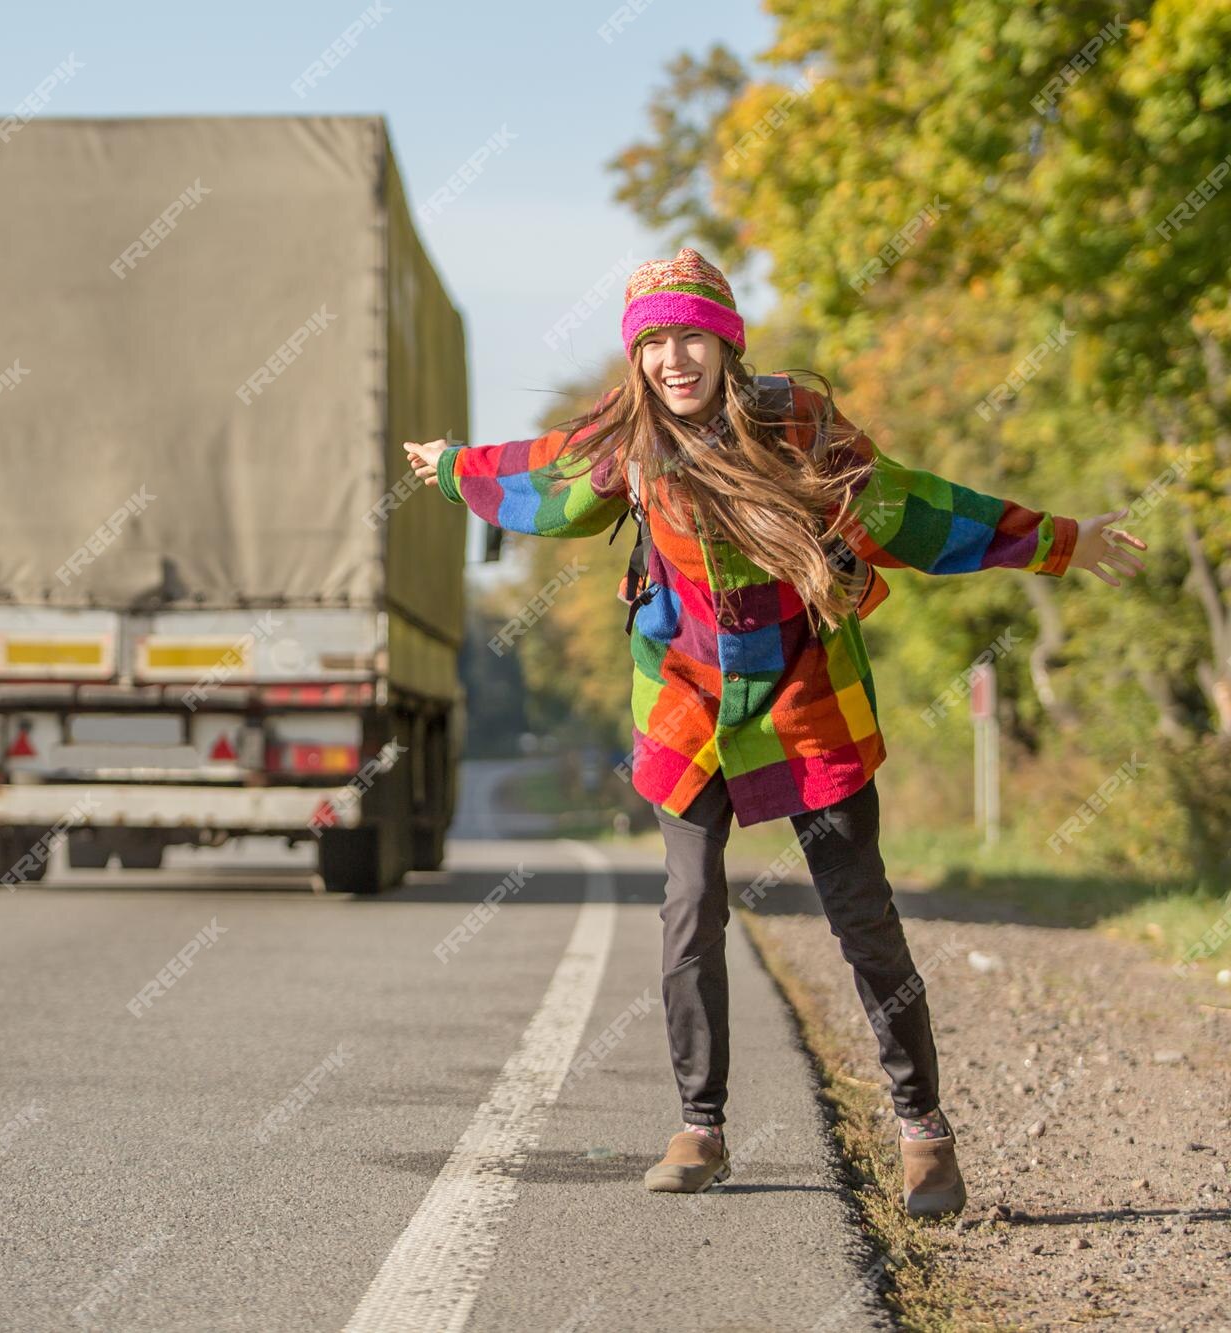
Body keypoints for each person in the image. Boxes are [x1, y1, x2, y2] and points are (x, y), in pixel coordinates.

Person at [404, 247, 1148, 1217]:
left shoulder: (795, 425)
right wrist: (453, 467)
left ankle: (924, 1132)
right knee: (688, 907)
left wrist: (1059, 540)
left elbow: (916, 509)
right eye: (655, 341)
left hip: (805, 700)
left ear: (724, 341)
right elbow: (540, 474)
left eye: (691, 336)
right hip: (685, 703)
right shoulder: (624, 444)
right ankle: (699, 1125)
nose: (674, 359)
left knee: (862, 918)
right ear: (636, 356)